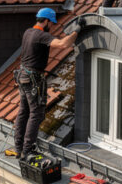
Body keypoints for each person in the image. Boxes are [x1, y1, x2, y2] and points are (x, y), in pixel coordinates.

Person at [9, 8, 79, 160]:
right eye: (51, 23)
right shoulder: (41, 35)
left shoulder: (28, 32)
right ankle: (28, 150)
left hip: (23, 76)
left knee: (23, 111)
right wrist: (76, 32)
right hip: (34, 77)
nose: (52, 27)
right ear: (46, 21)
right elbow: (62, 44)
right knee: (37, 113)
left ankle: (18, 147)